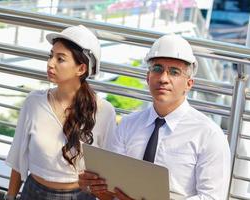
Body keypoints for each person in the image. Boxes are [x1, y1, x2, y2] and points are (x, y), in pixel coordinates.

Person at [79, 34, 231, 200]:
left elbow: (213, 197)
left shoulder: (209, 135)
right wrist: (97, 188)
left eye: (174, 72)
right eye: (157, 69)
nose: (164, 79)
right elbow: (112, 190)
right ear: (148, 77)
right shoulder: (128, 125)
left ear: (189, 84)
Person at [4, 25, 116, 200]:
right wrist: (10, 197)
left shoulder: (103, 111)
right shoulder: (33, 102)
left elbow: (109, 174)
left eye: (60, 59)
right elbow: (18, 158)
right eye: (51, 56)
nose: (50, 64)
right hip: (33, 193)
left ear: (81, 69)